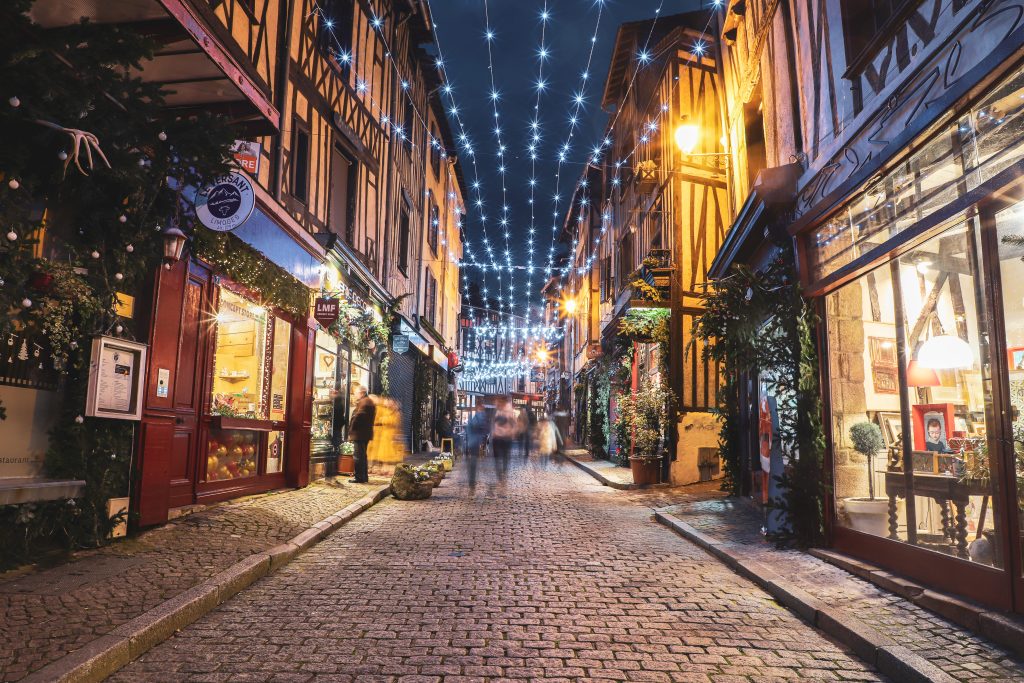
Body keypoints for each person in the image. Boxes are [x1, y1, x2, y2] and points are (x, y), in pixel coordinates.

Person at [348, 384, 376, 483]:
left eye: (356, 393)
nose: (355, 395)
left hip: (360, 434)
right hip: (364, 433)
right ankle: (363, 477)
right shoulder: (368, 401)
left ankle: (359, 477)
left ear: (362, 393)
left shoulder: (365, 402)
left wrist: (351, 429)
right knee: (362, 456)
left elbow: (358, 416)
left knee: (358, 456)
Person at [491, 397, 519, 481]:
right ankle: (500, 474)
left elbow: (514, 424)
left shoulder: (509, 411)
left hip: (506, 437)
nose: (496, 403)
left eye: (498, 402)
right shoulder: (497, 411)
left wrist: (511, 432)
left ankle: (503, 472)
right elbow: (494, 423)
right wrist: (493, 432)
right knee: (497, 457)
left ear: (502, 402)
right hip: (497, 437)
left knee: (505, 457)